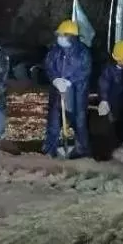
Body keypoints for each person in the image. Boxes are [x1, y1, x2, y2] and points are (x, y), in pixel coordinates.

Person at [44, 18, 92, 158]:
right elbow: (48, 66)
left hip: (76, 93)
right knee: (54, 121)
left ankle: (82, 151)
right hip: (57, 92)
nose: (59, 38)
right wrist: (55, 80)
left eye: (62, 35)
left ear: (70, 36)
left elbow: (85, 71)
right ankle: (50, 149)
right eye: (58, 35)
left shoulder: (83, 52)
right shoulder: (54, 51)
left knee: (79, 121)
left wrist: (69, 82)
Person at [97, 40, 123, 153]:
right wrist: (104, 100)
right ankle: (112, 152)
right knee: (114, 130)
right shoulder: (109, 70)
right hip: (115, 106)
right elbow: (103, 85)